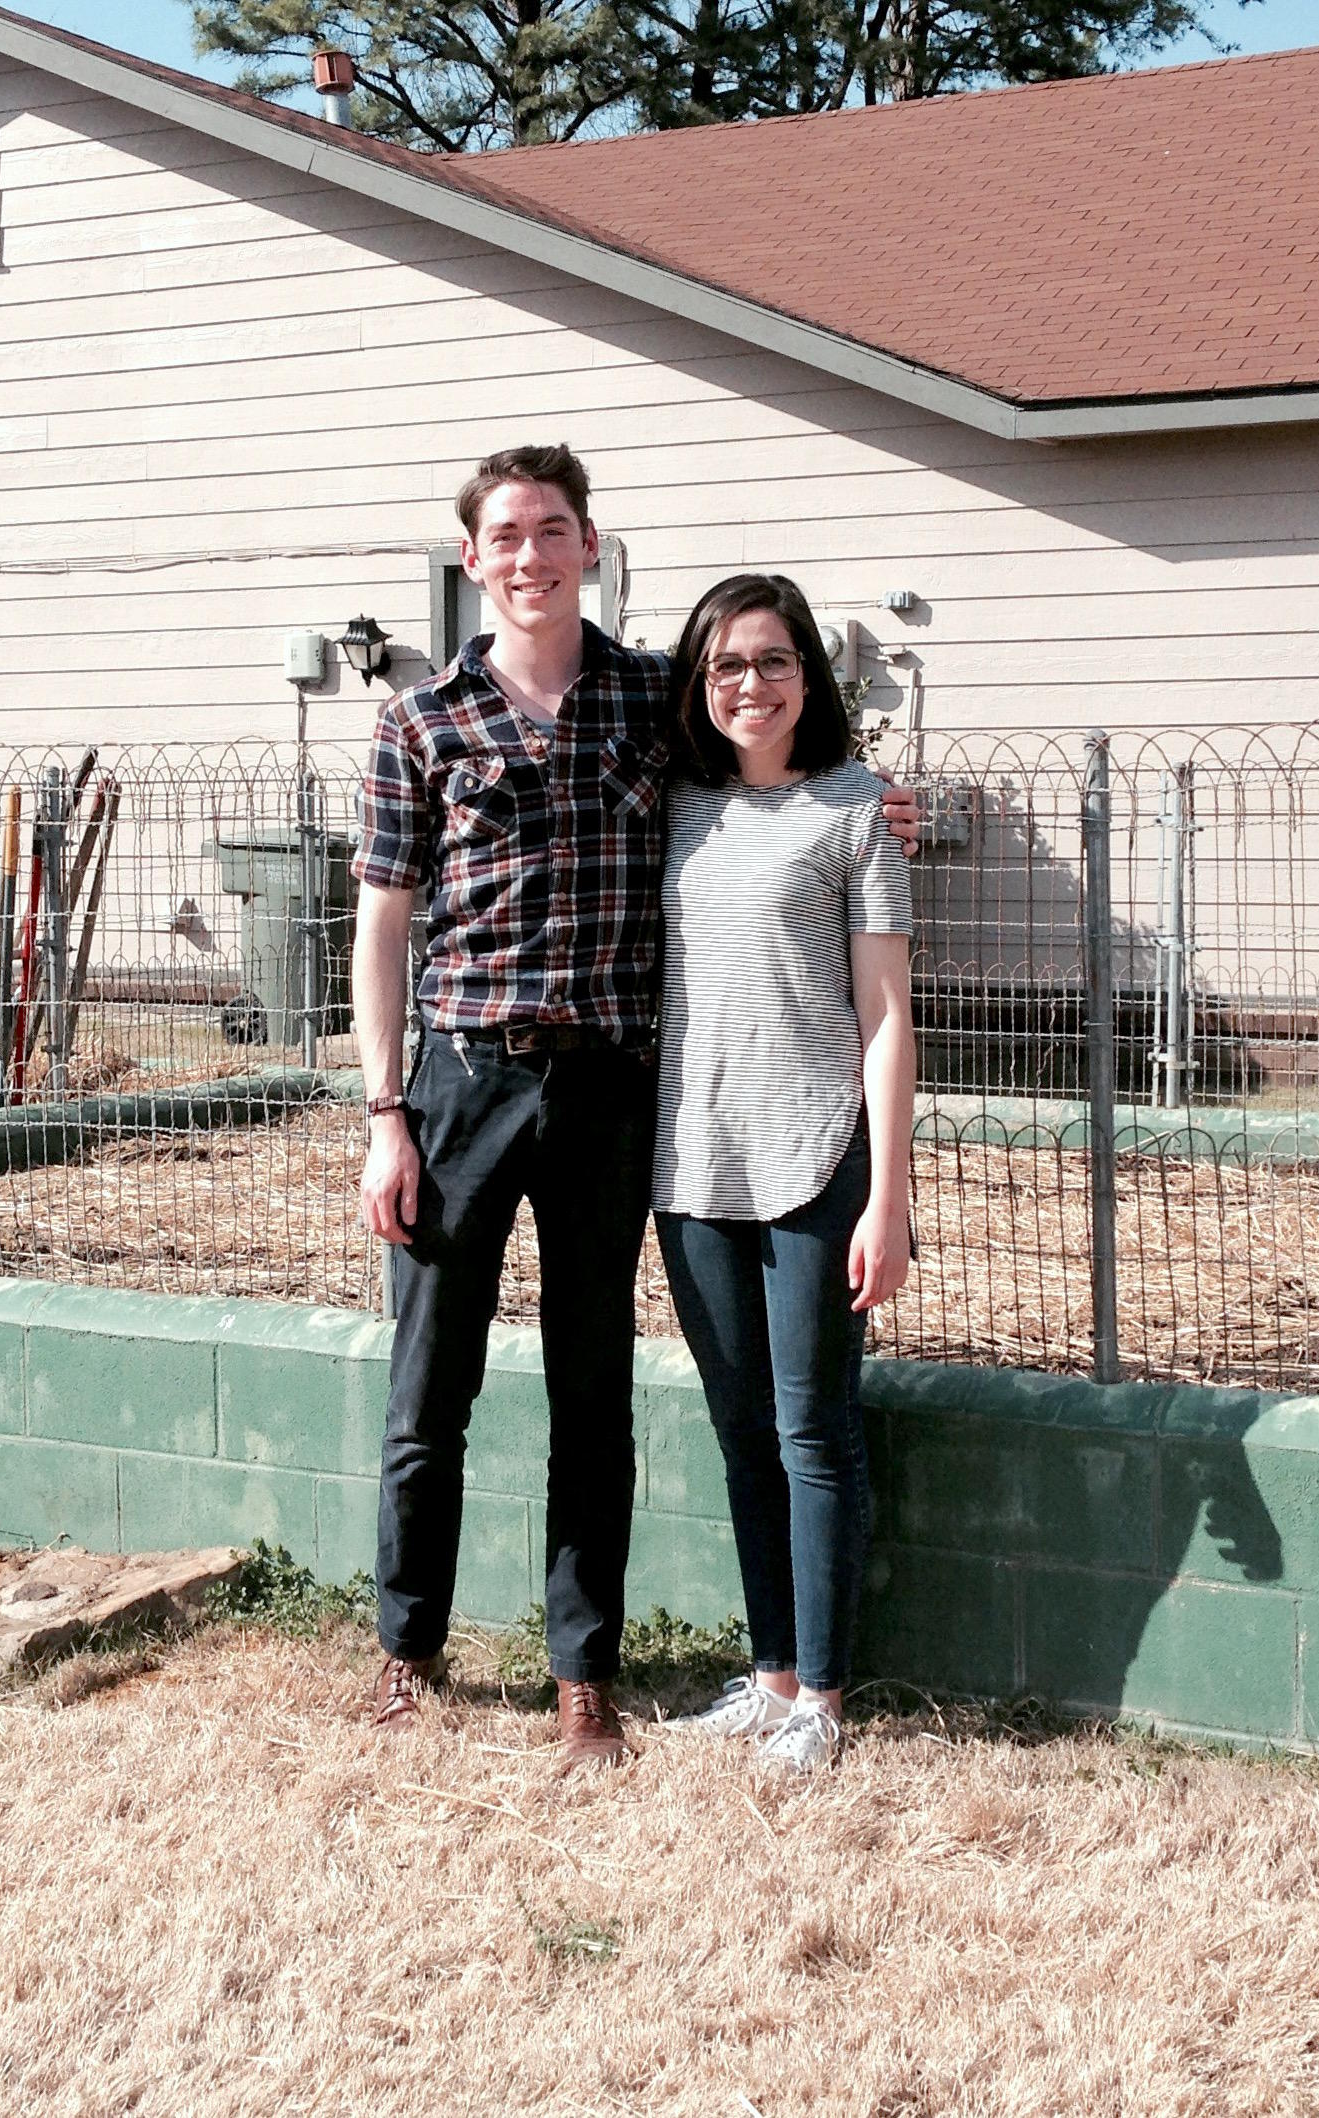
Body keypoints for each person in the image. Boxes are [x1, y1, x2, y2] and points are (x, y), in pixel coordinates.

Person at [351, 447, 919, 1771]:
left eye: (554, 529)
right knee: (428, 1384)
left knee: (589, 1389)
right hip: (462, 1082)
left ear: (589, 545)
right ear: (473, 557)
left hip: (612, 1088)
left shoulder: (643, 702)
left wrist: (866, 801)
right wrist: (384, 1110)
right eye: (506, 534)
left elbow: (763, 768)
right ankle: (406, 1650)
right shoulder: (419, 721)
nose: (531, 553)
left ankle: (581, 1672)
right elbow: (382, 925)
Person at [651, 571, 917, 1776]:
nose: (747, 685)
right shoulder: (673, 810)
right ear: (699, 687)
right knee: (740, 1430)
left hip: (819, 1157)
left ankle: (823, 1695)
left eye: (769, 661)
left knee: (815, 1432)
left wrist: (889, 1197)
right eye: (724, 667)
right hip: (692, 1160)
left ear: (808, 674)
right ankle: (766, 1677)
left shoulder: (859, 813)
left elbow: (886, 1013)